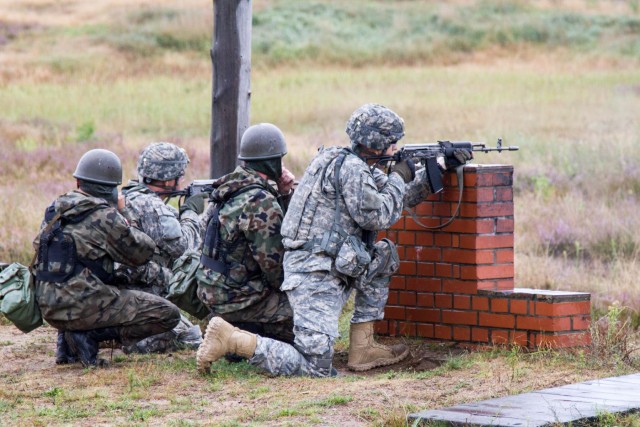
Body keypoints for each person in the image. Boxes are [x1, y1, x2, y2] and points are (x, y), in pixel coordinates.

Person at [196, 104, 471, 377]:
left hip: (326, 267)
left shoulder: (340, 160)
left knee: (383, 254)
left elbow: (397, 198)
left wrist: (439, 166)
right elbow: (378, 215)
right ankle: (232, 340)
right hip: (315, 275)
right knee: (317, 367)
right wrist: (399, 176)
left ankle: (363, 348)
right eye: (392, 142)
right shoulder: (353, 169)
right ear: (376, 144)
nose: (395, 147)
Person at [34, 148, 181, 367]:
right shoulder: (105, 216)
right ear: (112, 190)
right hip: (81, 305)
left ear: (78, 183)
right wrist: (125, 212)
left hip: (48, 306)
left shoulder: (55, 210)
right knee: (168, 314)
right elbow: (142, 252)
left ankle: (66, 342)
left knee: (88, 275)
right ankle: (89, 336)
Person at [195, 123, 295, 345]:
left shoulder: (229, 188)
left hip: (213, 291)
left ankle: (231, 327)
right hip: (239, 298)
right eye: (280, 159)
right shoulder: (260, 202)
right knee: (311, 313)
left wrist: (284, 193)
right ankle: (237, 336)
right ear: (271, 162)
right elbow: (277, 272)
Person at [115, 142, 205, 354]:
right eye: (179, 175)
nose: (182, 180)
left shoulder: (128, 196)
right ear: (167, 178)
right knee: (190, 337)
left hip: (123, 293)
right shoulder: (153, 207)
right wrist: (191, 212)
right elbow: (184, 249)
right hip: (142, 293)